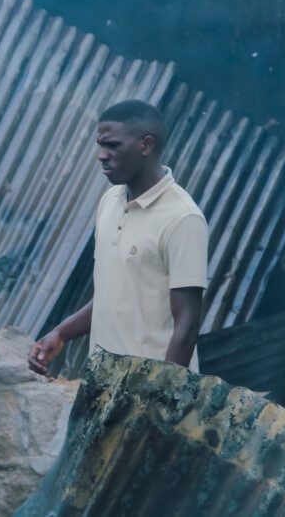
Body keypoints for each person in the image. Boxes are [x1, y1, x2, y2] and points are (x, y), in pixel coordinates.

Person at [28, 100, 208, 375]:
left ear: (146, 145)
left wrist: (160, 393)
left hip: (148, 386)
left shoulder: (183, 218)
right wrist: (61, 333)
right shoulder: (110, 200)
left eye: (112, 145)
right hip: (103, 380)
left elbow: (187, 324)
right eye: (101, 145)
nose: (102, 155)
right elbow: (112, 296)